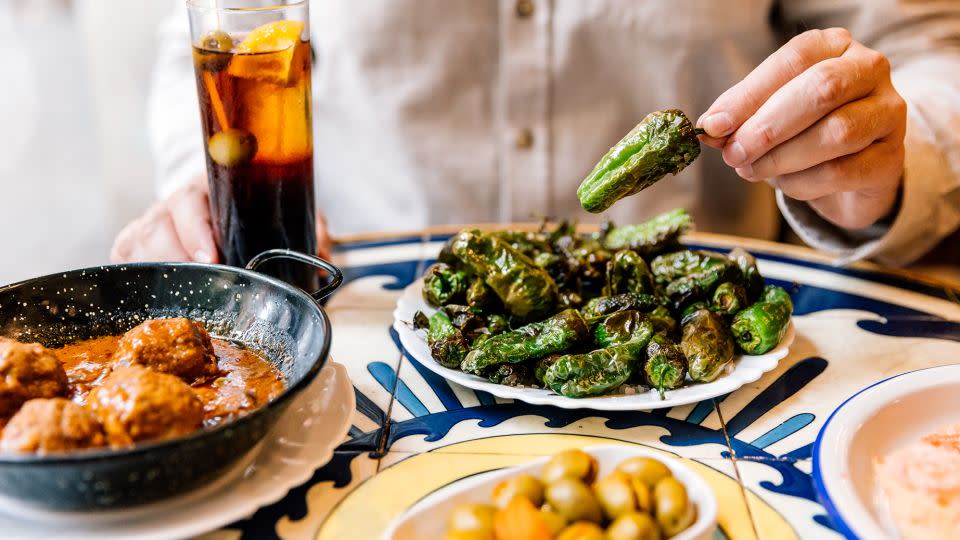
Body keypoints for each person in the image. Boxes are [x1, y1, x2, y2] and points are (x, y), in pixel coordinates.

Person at [113, 0, 960, 268]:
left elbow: (930, 48)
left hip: (706, 344)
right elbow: (220, 34)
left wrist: (884, 156)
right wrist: (206, 184)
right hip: (362, 315)